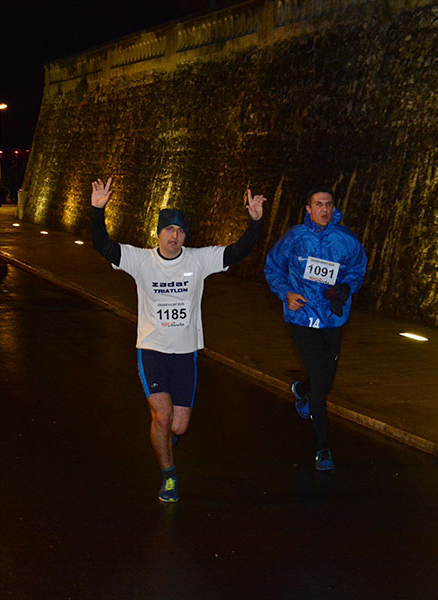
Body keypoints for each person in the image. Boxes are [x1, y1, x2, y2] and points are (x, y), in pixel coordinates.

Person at [90, 177, 266, 503]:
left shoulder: (198, 260)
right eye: (169, 230)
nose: (174, 236)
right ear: (158, 232)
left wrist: (254, 222)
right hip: (153, 350)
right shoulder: (141, 260)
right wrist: (97, 211)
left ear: (185, 235)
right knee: (162, 416)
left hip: (186, 353)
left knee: (179, 427)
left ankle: (167, 441)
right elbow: (104, 246)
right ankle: (168, 477)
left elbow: (238, 251)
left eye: (180, 231)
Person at [264, 187, 367, 472]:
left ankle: (302, 389)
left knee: (325, 380)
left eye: (329, 204)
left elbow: (358, 269)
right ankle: (323, 447)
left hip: (333, 319)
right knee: (322, 384)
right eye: (318, 204)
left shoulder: (346, 240)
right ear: (308, 209)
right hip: (303, 317)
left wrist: (346, 287)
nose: (324, 209)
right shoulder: (295, 237)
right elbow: (272, 267)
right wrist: (286, 293)